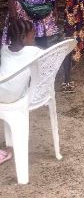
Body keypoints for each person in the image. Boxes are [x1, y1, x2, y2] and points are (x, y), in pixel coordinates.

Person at [0, 19, 43, 164]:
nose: (35, 38)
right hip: (14, 96)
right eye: (33, 35)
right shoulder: (34, 51)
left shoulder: (4, 49)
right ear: (23, 37)